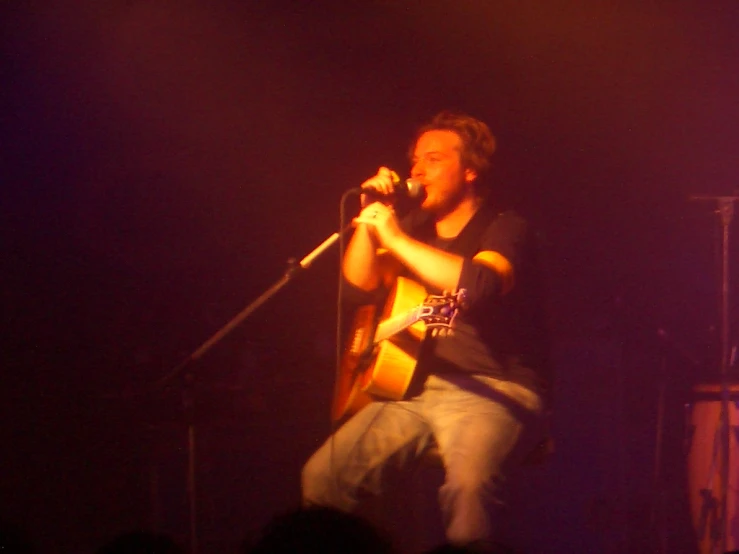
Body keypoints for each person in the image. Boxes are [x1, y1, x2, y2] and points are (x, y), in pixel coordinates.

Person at [301, 111, 551, 547]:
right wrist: (372, 218)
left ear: (470, 170)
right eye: (415, 161)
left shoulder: (505, 226)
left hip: (496, 388)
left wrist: (394, 237)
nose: (417, 171)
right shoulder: (413, 227)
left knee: (467, 491)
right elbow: (358, 286)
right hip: (415, 390)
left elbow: (480, 284)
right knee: (322, 478)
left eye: (433, 160)